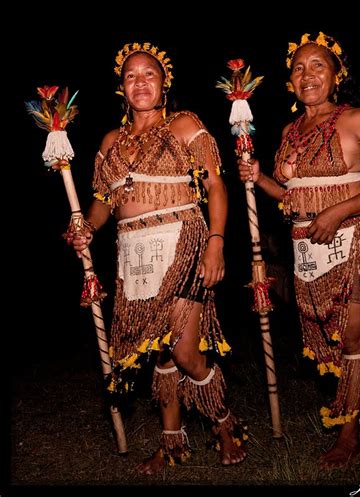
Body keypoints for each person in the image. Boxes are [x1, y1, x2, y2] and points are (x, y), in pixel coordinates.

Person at [238, 32, 360, 468]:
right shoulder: (288, 131)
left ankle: (347, 435)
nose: (308, 74)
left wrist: (339, 212)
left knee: (350, 335)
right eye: (299, 67)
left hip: (357, 238)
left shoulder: (358, 118)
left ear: (337, 74)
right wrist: (259, 176)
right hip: (307, 250)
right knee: (329, 334)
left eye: (318, 65)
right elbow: (291, 197)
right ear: (290, 81)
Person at [69, 41, 247, 473]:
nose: (140, 82)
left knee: (185, 352)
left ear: (164, 83)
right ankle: (172, 443)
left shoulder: (186, 125)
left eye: (149, 73)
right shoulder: (111, 141)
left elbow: (216, 188)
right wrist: (86, 227)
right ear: (122, 88)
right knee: (158, 353)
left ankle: (225, 424)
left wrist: (217, 242)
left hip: (184, 242)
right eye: (131, 76)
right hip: (133, 253)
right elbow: (102, 204)